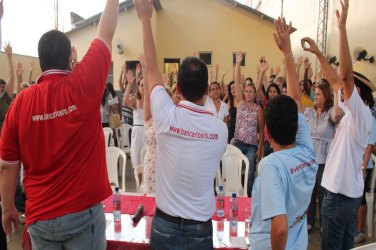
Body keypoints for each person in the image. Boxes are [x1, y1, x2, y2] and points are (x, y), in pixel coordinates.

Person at [0, 1, 118, 249]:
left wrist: (8, 207)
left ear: (41, 60)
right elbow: (106, 32)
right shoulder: (82, 85)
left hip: (40, 220)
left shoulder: (20, 103)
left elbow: (8, 166)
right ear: (69, 58)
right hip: (82, 215)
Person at [133, 0, 227, 248]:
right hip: (200, 230)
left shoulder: (165, 114)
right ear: (207, 89)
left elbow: (152, 69)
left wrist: (145, 20)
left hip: (165, 226)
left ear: (177, 88)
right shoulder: (220, 130)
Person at [303, 1, 372, 248]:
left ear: (358, 92)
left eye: (347, 89)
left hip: (339, 196)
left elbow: (343, 76)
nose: (340, 90)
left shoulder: (360, 113)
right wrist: (319, 54)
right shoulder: (354, 112)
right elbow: (335, 80)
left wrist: (342, 29)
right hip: (348, 195)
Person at [249, 17, 317, 249]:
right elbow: (296, 100)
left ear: (266, 132)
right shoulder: (307, 151)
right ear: (297, 127)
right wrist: (287, 52)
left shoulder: (271, 166)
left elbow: (278, 226)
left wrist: (287, 51)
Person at [304, 79, 341, 233]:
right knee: (309, 192)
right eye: (315, 93)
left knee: (322, 193)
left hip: (324, 160)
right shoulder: (309, 112)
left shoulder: (331, 112)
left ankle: (324, 222)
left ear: (326, 96)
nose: (315, 96)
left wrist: (336, 91)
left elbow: (337, 116)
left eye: (319, 94)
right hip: (309, 158)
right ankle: (309, 221)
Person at [233, 52, 264, 197]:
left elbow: (261, 130)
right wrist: (238, 63)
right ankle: (236, 194)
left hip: (252, 145)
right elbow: (237, 83)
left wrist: (260, 147)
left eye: (250, 91)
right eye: (246, 91)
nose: (248, 93)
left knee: (250, 172)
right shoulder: (240, 104)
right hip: (238, 142)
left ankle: (249, 197)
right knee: (235, 169)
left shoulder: (258, 109)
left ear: (254, 93)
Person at [123, 69, 147, 167]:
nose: (144, 87)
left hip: (147, 132)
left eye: (145, 85)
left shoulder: (151, 101)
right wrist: (129, 84)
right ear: (138, 87)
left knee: (146, 161)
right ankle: (138, 181)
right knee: (137, 161)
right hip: (137, 133)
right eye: (141, 85)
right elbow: (125, 101)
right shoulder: (135, 100)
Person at [0, 42, 14, 135]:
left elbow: (10, 78)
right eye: (1, 87)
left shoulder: (3, 98)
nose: (3, 89)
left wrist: (9, 57)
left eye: (4, 87)